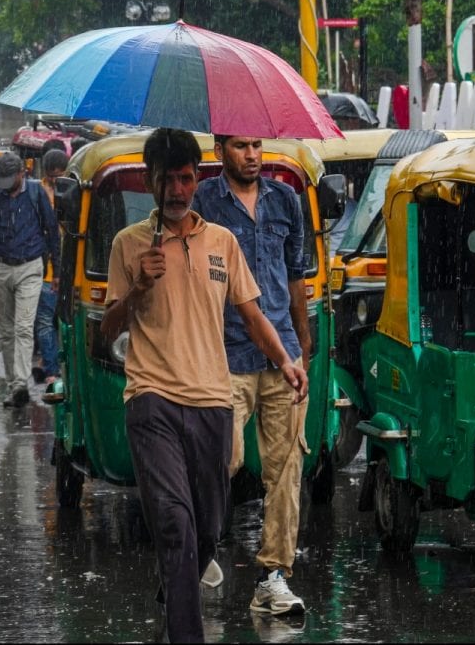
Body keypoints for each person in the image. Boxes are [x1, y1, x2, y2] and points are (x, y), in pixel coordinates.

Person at [100, 128, 307, 643]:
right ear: (150, 183)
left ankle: (178, 581)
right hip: (152, 400)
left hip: (212, 399)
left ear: (197, 180)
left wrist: (286, 359)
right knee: (174, 520)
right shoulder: (129, 245)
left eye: (185, 178)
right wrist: (138, 287)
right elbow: (105, 330)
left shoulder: (222, 241)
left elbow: (253, 314)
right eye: (166, 179)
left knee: (210, 524)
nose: (176, 189)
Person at [193, 134, 311, 616]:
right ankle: (198, 548)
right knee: (226, 456)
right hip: (226, 353)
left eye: (258, 145)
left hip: (282, 354)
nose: (252, 155)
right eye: (241, 146)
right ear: (221, 149)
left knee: (286, 471)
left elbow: (296, 276)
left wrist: (303, 344)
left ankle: (272, 577)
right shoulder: (203, 201)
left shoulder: (286, 199)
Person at [0, 150, 59, 408]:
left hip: (30, 266)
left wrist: (58, 270)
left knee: (23, 328)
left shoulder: (36, 193)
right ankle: (13, 384)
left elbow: (52, 231)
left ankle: (20, 383)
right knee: (6, 332)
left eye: (10, 179)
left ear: (22, 173)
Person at [32, 148, 68, 384]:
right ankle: (52, 370)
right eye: (51, 176)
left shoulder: (73, 190)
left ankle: (55, 364)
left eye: (59, 176)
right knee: (46, 321)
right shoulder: (38, 192)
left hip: (70, 268)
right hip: (47, 270)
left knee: (64, 323)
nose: (55, 180)